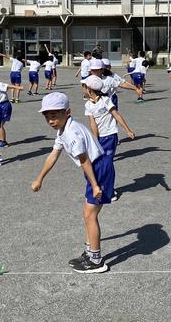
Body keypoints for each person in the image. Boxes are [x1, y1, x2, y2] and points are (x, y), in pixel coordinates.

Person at [31, 92, 114, 274]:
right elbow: (53, 154)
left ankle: (96, 261)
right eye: (47, 116)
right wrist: (40, 178)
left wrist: (95, 185)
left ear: (67, 112)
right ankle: (89, 251)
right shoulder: (64, 130)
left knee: (90, 215)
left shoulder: (72, 132)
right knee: (87, 214)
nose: (51, 120)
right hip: (94, 168)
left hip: (98, 168)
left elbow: (84, 160)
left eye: (54, 115)